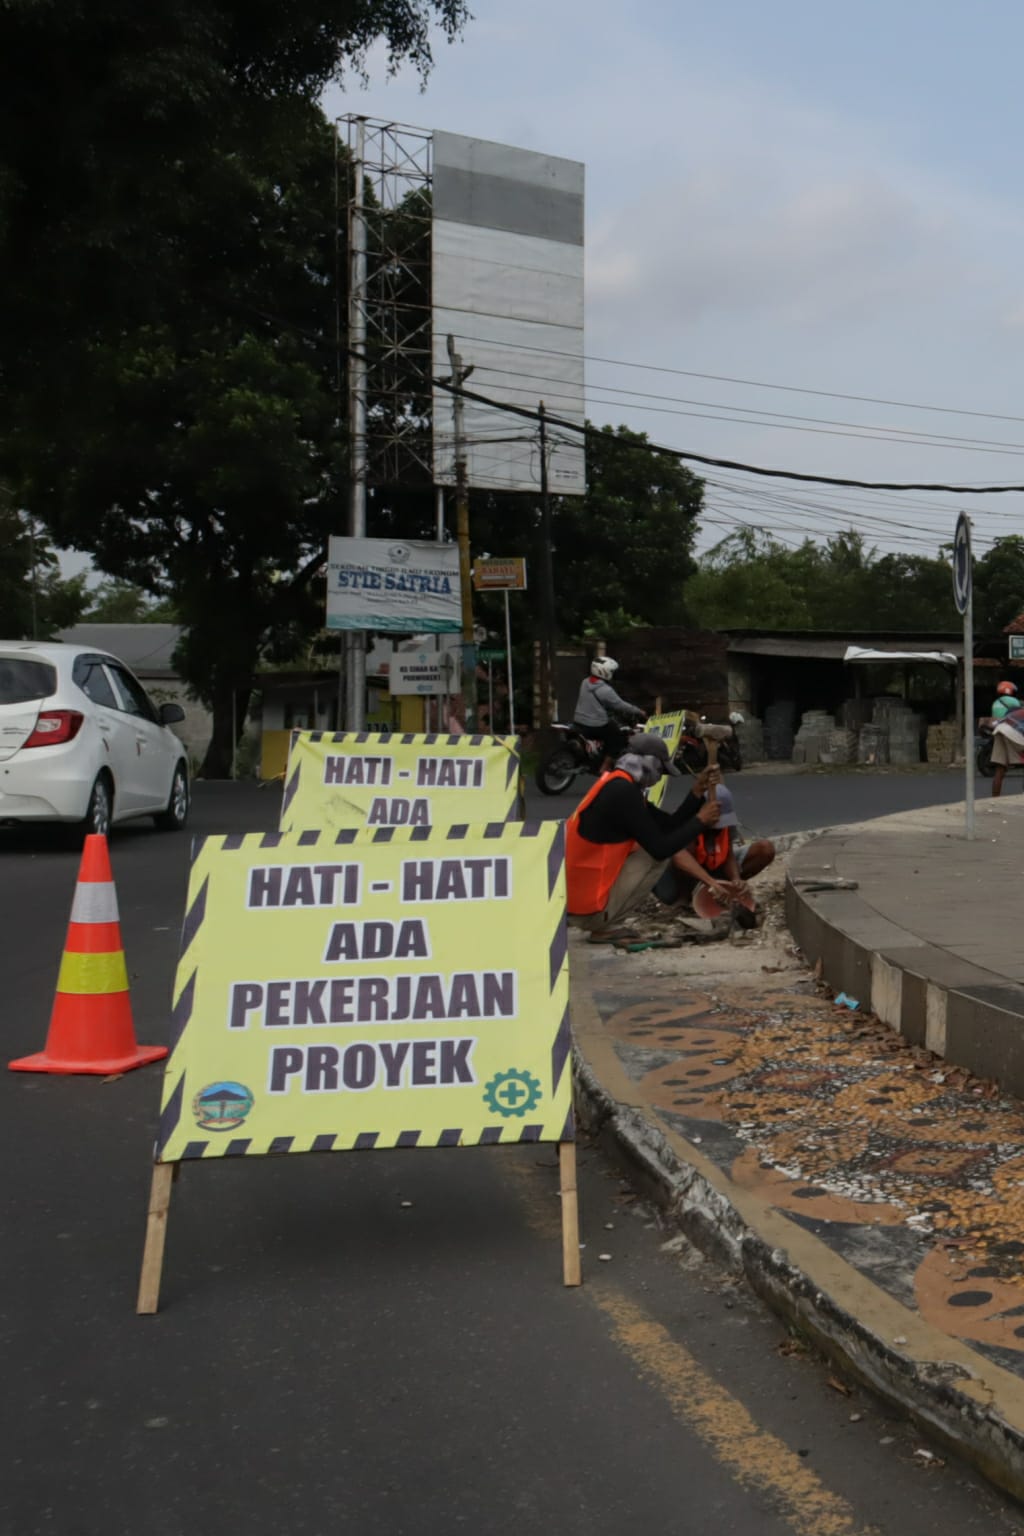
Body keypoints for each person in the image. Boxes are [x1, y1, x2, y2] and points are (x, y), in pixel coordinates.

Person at [566, 732, 721, 941]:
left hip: (578, 903)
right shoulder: (623, 793)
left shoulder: (618, 785)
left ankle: (603, 920)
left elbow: (668, 824)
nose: (658, 779)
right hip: (588, 910)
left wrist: (696, 792)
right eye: (660, 771)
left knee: (652, 848)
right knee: (655, 855)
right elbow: (661, 848)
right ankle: (604, 925)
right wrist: (700, 821)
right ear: (649, 764)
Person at [651, 785, 775, 919]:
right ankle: (684, 902)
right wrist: (711, 882)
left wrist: (735, 878)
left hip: (712, 869)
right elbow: (679, 857)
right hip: (679, 876)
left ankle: (721, 891)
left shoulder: (726, 823)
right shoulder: (684, 818)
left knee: (765, 849)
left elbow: (727, 852)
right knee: (673, 887)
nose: (719, 825)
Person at [573, 657, 647, 772]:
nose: (612, 674)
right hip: (595, 724)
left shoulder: (585, 682)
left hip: (578, 720)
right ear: (604, 671)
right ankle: (605, 766)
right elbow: (620, 705)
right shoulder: (605, 690)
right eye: (611, 671)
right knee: (618, 739)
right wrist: (638, 711)